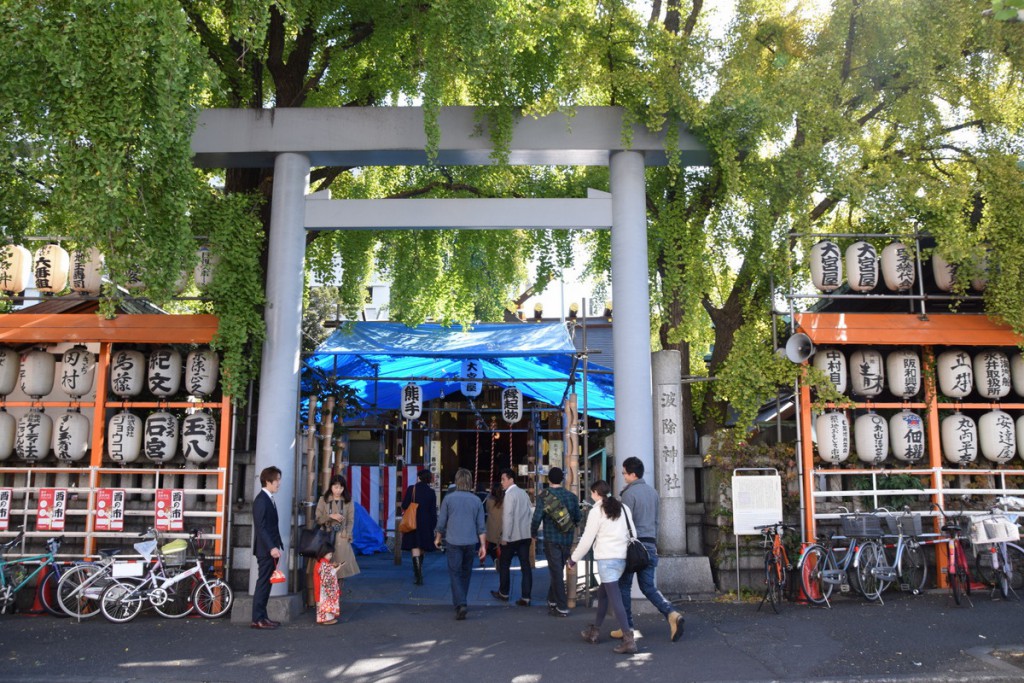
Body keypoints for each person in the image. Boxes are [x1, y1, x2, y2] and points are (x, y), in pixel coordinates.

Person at [615, 456, 685, 643]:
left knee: (624, 585)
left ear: (632, 474)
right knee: (648, 587)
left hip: (633, 546)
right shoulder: (653, 492)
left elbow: (624, 523)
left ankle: (627, 627)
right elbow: (656, 521)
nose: (623, 477)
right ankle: (671, 613)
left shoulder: (628, 494)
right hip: (650, 544)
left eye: (624, 473)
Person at [567, 480, 636, 655]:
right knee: (603, 594)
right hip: (622, 559)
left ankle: (629, 639)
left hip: (606, 559)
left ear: (597, 493)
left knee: (615, 599)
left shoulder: (596, 511)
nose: (591, 496)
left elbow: (587, 539)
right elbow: (633, 534)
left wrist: (573, 559)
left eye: (591, 493)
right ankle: (594, 631)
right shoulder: (624, 508)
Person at [434, 468, 487, 620]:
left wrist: (438, 538)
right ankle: (461, 601)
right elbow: (481, 526)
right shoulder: (476, 500)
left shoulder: (449, 499)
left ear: (457, 481)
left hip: (453, 541)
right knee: (466, 573)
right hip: (470, 541)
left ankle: (461, 603)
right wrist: (483, 546)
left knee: (454, 573)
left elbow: (442, 521)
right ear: (470, 482)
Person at [530, 467, 580, 617]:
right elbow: (578, 518)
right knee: (557, 570)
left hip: (551, 539)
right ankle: (552, 600)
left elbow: (537, 518)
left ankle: (562, 606)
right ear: (562, 479)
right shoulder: (571, 497)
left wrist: (533, 534)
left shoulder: (544, 496)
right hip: (567, 538)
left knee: (556, 572)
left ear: (549, 480)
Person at [491, 468, 533, 606]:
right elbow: (529, 512)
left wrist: (505, 537)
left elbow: (508, 517)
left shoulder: (509, 494)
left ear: (511, 479)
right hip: (525, 535)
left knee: (504, 564)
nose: (501, 482)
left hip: (512, 536)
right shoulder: (523, 493)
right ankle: (526, 597)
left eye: (503, 479)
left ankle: (504, 592)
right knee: (525, 566)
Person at [251, 465, 284, 630]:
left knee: (266, 584)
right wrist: (272, 547)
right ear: (268, 481)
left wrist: (278, 546)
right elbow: (261, 527)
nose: (279, 483)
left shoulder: (268, 498)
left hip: (270, 548)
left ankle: (263, 617)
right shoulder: (261, 500)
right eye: (277, 480)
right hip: (265, 550)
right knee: (263, 583)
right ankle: (258, 618)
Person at [315, 475, 361, 585]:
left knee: (341, 570)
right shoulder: (323, 500)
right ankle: (326, 598)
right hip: (326, 536)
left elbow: (350, 520)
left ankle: (337, 597)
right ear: (330, 487)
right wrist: (331, 516)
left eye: (341, 488)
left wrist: (348, 534)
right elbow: (318, 519)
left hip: (342, 537)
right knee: (326, 568)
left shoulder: (348, 501)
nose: (338, 490)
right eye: (335, 487)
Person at [401, 469, 438, 585]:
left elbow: (404, 505)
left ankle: (418, 576)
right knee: (422, 547)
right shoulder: (431, 492)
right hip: (426, 523)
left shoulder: (412, 489)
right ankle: (419, 570)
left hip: (413, 522)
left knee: (415, 547)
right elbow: (433, 511)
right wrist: (433, 526)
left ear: (419, 478)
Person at [314, 543, 340, 625]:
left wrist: (332, 566)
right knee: (326, 603)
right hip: (323, 589)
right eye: (329, 554)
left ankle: (324, 619)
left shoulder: (321, 562)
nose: (331, 556)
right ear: (324, 553)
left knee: (323, 604)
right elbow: (328, 577)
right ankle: (326, 620)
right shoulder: (324, 564)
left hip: (320, 587)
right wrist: (336, 569)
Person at [484, 481, 504, 566]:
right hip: (502, 525)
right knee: (503, 545)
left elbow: (487, 509)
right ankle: (501, 560)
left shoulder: (489, 501)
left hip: (491, 525)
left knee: (491, 545)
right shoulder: (505, 500)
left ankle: (495, 558)